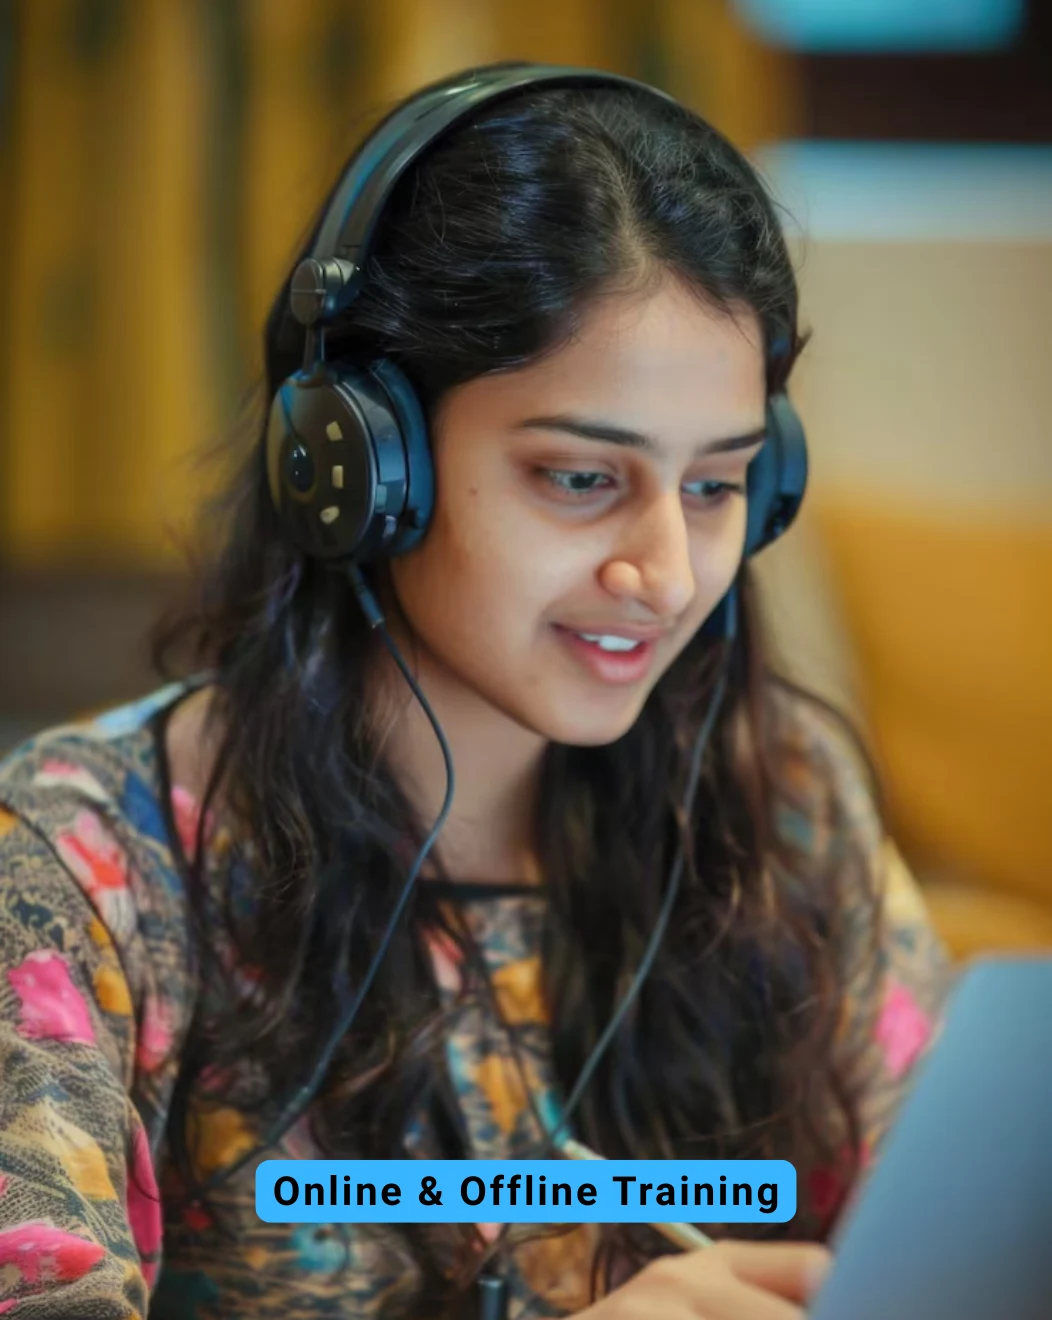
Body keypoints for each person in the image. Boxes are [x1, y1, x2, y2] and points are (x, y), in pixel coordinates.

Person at [0, 64, 947, 1320]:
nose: (665, 575)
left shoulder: (774, 808)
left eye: (714, 485)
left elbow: (948, 1243)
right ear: (356, 463)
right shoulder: (77, 868)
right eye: (577, 478)